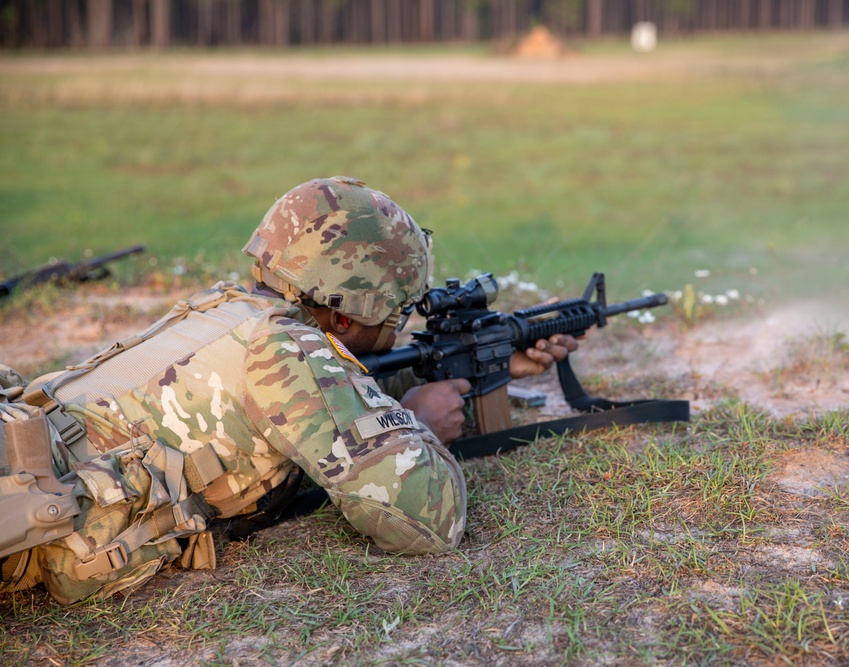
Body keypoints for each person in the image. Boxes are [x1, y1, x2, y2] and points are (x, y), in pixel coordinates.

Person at [0, 176, 576, 605]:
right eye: (397, 313)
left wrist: (486, 361)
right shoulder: (288, 351)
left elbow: (330, 385)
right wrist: (413, 419)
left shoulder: (228, 306)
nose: (402, 325)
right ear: (345, 319)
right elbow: (428, 518)